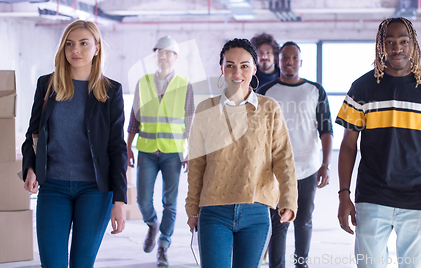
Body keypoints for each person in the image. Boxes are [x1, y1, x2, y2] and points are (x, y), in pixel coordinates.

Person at [336, 17, 421, 268]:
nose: (396, 48)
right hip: (372, 197)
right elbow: (348, 146)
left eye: (403, 41)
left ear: (413, 44)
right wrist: (343, 195)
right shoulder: (362, 87)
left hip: (418, 199)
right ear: (381, 46)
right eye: (389, 42)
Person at [22, 20, 127, 268]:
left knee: (82, 263)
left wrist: (119, 201)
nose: (75, 50)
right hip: (53, 188)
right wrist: (30, 168)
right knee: (53, 263)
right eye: (69, 44)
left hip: (95, 191)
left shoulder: (110, 91)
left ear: (97, 48)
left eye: (83, 43)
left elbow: (116, 147)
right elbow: (33, 133)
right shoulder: (47, 85)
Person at [186, 38, 298, 268]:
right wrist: (192, 208)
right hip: (213, 211)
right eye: (230, 65)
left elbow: (283, 158)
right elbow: (196, 164)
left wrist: (289, 199)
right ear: (222, 68)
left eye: (244, 66)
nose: (237, 72)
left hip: (256, 212)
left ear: (254, 69)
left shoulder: (269, 108)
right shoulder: (205, 109)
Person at [257, 41, 333, 268]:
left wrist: (325, 164)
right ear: (279, 62)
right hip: (275, 170)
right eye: (285, 58)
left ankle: (302, 264)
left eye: (294, 58)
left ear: (301, 62)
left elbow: (326, 129)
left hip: (307, 166)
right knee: (278, 223)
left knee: (303, 221)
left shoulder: (315, 90)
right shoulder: (266, 92)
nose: (289, 62)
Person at [127, 36, 194, 266]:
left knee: (170, 202)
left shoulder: (185, 85)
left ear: (175, 57)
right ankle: (152, 224)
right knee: (143, 199)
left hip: (173, 152)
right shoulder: (142, 83)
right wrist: (128, 147)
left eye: (167, 52)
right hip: (146, 149)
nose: (163, 56)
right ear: (155, 55)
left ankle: (164, 245)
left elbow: (190, 121)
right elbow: (134, 119)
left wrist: (190, 151)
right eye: (159, 52)